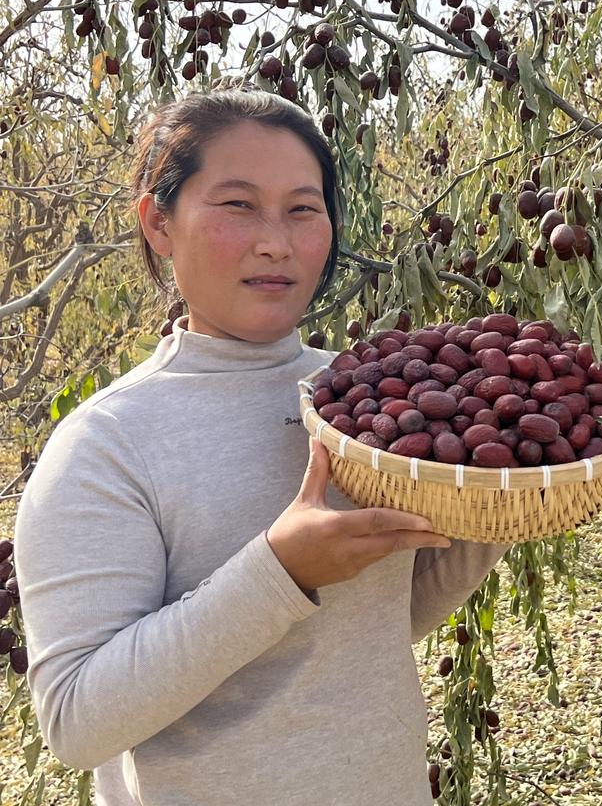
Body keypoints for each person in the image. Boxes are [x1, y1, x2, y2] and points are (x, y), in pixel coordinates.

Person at [13, 86, 510, 805]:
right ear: (159, 222)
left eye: (303, 210)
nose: (276, 240)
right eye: (238, 205)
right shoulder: (107, 444)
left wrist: (493, 515)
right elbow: (77, 721)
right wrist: (279, 569)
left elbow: (377, 625)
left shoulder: (366, 400)